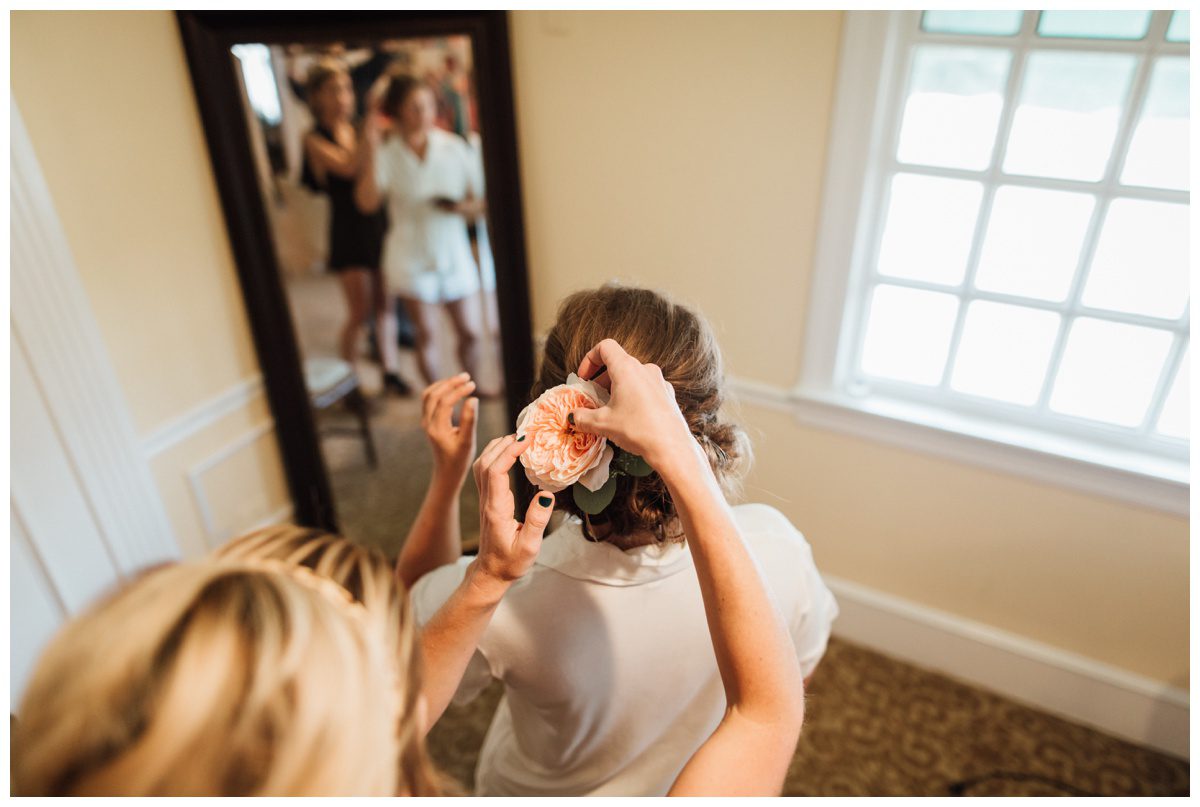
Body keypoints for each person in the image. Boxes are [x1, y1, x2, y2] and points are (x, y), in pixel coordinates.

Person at [13, 340, 808, 796]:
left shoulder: (510, 602)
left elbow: (405, 639)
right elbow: (770, 702)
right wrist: (680, 464)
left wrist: (460, 518)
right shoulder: (776, 547)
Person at [405, 285, 838, 795]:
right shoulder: (778, 547)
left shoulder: (495, 596)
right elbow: (788, 685)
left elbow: (408, 633)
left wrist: (445, 480)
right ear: (698, 426)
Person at [355, 72, 497, 396]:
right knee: (427, 334)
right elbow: (366, 203)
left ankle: (470, 390)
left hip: (453, 250)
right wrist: (370, 147)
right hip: (409, 254)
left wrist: (459, 208)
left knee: (471, 331)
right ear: (398, 111)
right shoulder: (387, 154)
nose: (423, 115)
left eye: (428, 106)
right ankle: (441, 401)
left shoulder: (454, 148)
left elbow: (482, 201)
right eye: (414, 107)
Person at [300, 58, 410, 396]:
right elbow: (347, 168)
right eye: (334, 89)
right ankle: (348, 381)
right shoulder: (313, 138)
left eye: (347, 88)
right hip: (347, 230)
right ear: (317, 95)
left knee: (385, 304)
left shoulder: (360, 128)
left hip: (376, 223)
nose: (343, 96)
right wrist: (371, 134)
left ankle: (390, 371)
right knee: (358, 313)